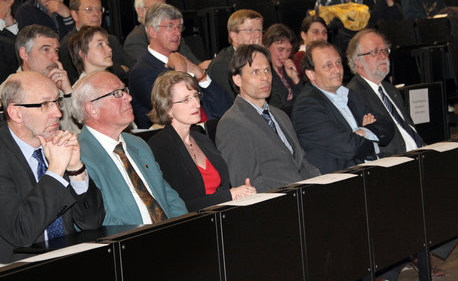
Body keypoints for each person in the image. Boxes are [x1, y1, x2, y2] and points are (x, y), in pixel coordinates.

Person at [0, 71, 105, 263]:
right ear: (16, 113)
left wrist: (75, 169)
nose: (57, 113)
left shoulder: (57, 144)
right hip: (18, 270)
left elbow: (91, 222)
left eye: (57, 102)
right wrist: (55, 171)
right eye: (45, 104)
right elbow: (21, 232)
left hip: (70, 260)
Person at [72, 71, 188, 225]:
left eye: (124, 91)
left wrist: (185, 227)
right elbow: (100, 221)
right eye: (117, 93)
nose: (129, 97)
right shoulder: (78, 156)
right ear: (92, 108)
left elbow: (169, 198)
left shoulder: (137, 144)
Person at [147, 71, 256, 211]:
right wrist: (228, 196)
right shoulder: (160, 146)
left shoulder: (201, 139)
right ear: (167, 108)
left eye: (195, 96)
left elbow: (223, 189)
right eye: (186, 99)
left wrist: (240, 193)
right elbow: (177, 206)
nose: (197, 104)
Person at [216, 44, 319, 192]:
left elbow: (302, 163)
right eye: (255, 72)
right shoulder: (232, 123)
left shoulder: (280, 115)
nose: (265, 78)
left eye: (267, 70)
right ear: (238, 80)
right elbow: (246, 184)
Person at [291, 40, 394, 173]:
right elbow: (349, 147)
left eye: (338, 63)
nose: (337, 70)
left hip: (369, 170)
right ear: (311, 74)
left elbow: (387, 125)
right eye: (328, 66)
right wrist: (372, 137)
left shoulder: (348, 94)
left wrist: (363, 131)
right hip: (342, 180)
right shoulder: (307, 107)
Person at [129, 3, 230, 128]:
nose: (177, 33)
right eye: (170, 26)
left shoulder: (184, 61)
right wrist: (180, 70)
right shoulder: (142, 72)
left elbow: (225, 108)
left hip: (211, 130)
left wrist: (200, 74)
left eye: (179, 27)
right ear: (152, 32)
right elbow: (171, 111)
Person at [346, 29, 423, 156]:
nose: (383, 56)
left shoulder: (390, 90)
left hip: (419, 154)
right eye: (375, 52)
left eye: (384, 50)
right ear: (357, 61)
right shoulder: (353, 95)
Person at [0, 24, 80, 132]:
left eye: (56, 50)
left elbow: (79, 133)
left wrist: (68, 92)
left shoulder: (57, 87)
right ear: (24, 54)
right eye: (46, 50)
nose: (55, 58)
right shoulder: (8, 92)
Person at [60, 0, 135, 86]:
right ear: (75, 15)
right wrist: (119, 69)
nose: (96, 14)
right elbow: (76, 79)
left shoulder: (111, 39)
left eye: (99, 9)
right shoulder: (69, 44)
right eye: (89, 9)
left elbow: (132, 68)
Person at [123, 0, 201, 65]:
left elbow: (194, 62)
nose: (163, 12)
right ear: (140, 11)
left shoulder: (175, 33)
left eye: (164, 8)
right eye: (156, 8)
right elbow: (150, 68)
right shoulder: (134, 39)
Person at [207, 9, 263, 101]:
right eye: (250, 30)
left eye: (259, 30)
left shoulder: (261, 58)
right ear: (234, 36)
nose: (257, 35)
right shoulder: (222, 65)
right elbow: (234, 103)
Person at [262, 23, 302, 113]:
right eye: (280, 49)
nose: (285, 55)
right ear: (267, 46)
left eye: (288, 50)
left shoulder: (285, 69)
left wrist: (295, 79)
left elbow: (304, 99)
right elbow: (278, 108)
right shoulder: (264, 73)